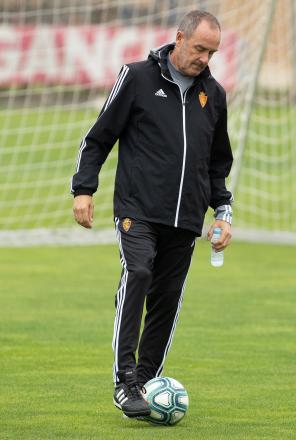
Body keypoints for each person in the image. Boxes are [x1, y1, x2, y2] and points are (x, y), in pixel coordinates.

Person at [71, 10, 233, 418]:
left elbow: (218, 162)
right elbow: (98, 138)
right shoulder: (138, 77)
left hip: (185, 219)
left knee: (167, 299)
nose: (204, 59)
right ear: (179, 38)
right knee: (138, 272)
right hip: (137, 209)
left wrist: (223, 211)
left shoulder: (213, 95)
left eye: (212, 52)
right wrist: (83, 189)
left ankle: (146, 381)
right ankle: (125, 381)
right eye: (199, 48)